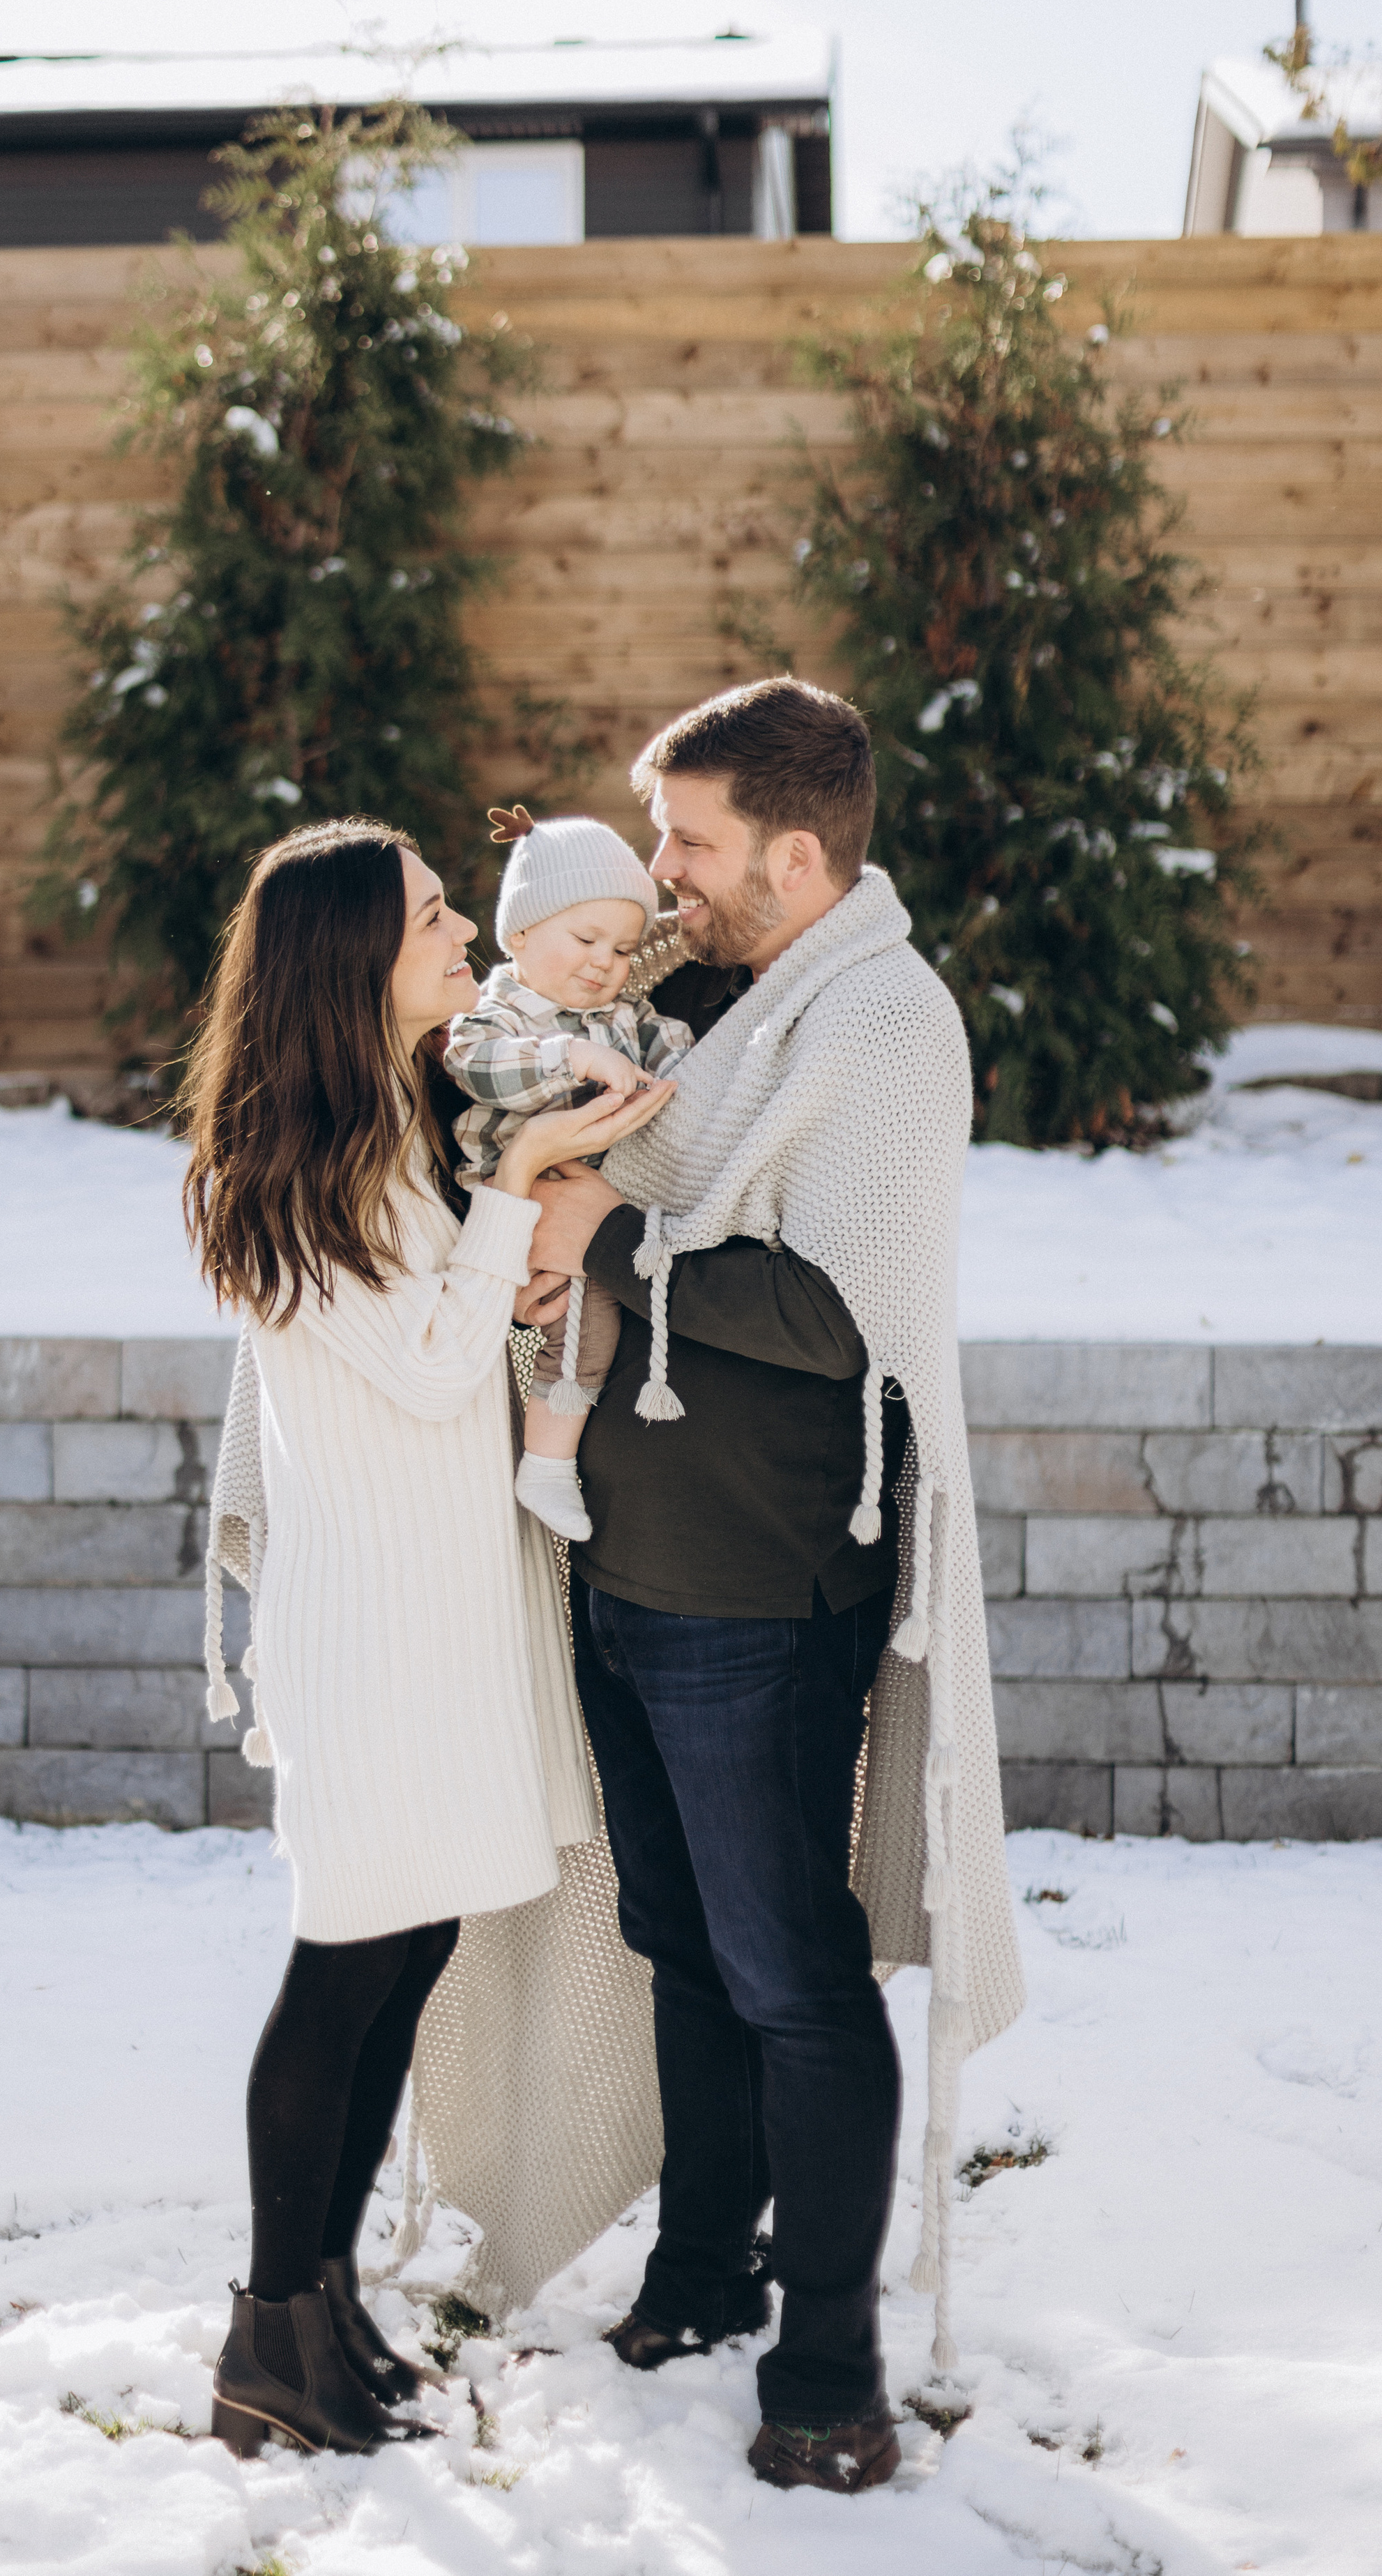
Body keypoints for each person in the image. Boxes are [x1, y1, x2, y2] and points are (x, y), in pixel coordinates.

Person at [515, 676, 1025, 2497]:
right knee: (683, 1947)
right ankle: (703, 2269)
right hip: (633, 1561)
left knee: (793, 1972)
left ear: (794, 856)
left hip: (756, 1583)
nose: (665, 872)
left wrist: (612, 1231)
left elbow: (838, 1314)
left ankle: (827, 2371)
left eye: (693, 842)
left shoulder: (881, 1025)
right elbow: (651, 1155)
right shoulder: (740, 1010)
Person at [181, 815, 674, 2460]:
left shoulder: (394, 1122)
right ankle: (263, 2333)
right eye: (431, 917)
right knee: (342, 1969)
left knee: (404, 1963)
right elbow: (420, 1371)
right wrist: (518, 1203)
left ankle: (324, 2302)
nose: (465, 930)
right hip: (368, 1632)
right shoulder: (271, 1168)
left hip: (441, 1613)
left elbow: (447, 1331)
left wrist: (509, 1245)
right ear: (345, 964)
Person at [443, 804, 695, 1543]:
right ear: (518, 934)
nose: (604, 963)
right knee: (585, 1325)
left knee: (600, 1307)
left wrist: (675, 1067)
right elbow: (477, 1069)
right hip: (519, 1200)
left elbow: (677, 1054)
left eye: (622, 949)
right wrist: (572, 1060)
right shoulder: (500, 1016)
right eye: (584, 939)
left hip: (598, 1192)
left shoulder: (625, 1012)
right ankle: (547, 1464)